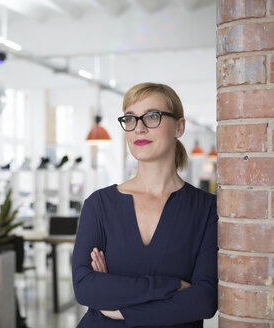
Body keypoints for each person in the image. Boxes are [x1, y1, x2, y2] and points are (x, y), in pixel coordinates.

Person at [72, 82, 218, 327]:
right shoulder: (99, 204)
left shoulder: (207, 209)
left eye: (152, 116)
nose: (138, 128)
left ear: (179, 127)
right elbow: (86, 288)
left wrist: (121, 309)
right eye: (130, 119)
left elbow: (204, 300)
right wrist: (172, 285)